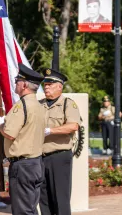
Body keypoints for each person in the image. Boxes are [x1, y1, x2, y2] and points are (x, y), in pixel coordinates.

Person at [0, 63, 45, 215]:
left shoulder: (21, 106)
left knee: (22, 210)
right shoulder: (38, 105)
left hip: (23, 166)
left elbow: (10, 133)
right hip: (35, 163)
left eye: (17, 81)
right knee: (30, 208)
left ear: (24, 85)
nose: (15, 83)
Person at [39, 68, 81, 215]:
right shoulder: (40, 104)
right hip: (40, 156)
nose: (46, 87)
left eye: (50, 84)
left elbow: (73, 126)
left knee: (60, 197)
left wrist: (49, 131)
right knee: (43, 198)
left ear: (60, 86)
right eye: (45, 84)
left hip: (59, 155)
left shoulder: (67, 104)